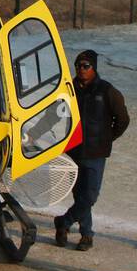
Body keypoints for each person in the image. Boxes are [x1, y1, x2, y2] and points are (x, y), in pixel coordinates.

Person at [55, 50, 129, 251]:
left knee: (91, 195)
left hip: (96, 153)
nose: (81, 69)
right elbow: (54, 115)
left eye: (85, 66)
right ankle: (86, 234)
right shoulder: (69, 89)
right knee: (80, 195)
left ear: (94, 68)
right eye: (78, 65)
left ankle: (64, 221)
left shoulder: (107, 91)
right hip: (74, 151)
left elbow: (123, 119)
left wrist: (107, 138)